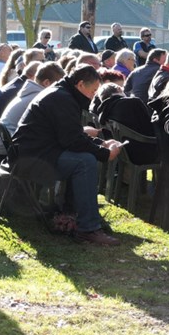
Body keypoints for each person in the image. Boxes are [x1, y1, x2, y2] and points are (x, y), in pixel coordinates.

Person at [11, 65, 123, 246]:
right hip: (32, 159)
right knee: (85, 162)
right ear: (80, 85)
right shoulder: (62, 99)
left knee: (83, 158)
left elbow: (72, 136)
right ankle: (88, 228)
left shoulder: (62, 94)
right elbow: (72, 141)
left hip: (35, 152)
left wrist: (100, 144)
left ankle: (74, 214)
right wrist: (104, 153)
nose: (94, 95)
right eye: (93, 90)